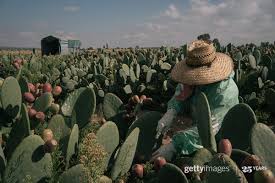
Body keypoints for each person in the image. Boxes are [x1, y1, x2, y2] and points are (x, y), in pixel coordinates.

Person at [151, 40, 239, 161]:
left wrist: (175, 145)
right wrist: (170, 113)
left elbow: (208, 129)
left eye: (195, 75)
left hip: (218, 138)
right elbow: (179, 94)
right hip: (194, 127)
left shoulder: (225, 92)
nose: (191, 79)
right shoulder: (189, 81)